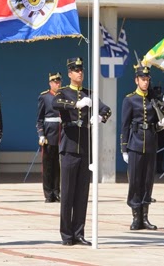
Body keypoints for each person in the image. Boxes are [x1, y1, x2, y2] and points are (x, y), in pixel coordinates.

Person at [52, 57, 111, 246]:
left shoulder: (90, 93)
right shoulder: (64, 92)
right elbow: (56, 103)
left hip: (85, 149)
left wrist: (100, 117)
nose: (80, 73)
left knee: (81, 195)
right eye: (76, 70)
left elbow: (106, 109)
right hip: (69, 147)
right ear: (69, 73)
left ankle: (79, 232)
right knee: (67, 194)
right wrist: (75, 105)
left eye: (81, 70)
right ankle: (66, 234)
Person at [121, 64, 164, 231]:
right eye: (143, 79)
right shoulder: (129, 99)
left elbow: (156, 123)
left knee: (148, 181)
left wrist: (162, 122)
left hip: (150, 143)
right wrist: (124, 148)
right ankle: (136, 218)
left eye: (148, 80)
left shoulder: (153, 99)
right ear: (136, 80)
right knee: (135, 181)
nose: (146, 82)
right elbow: (125, 126)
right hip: (135, 144)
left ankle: (145, 218)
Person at [36, 72, 62, 203]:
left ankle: (57, 192)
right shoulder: (44, 97)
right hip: (49, 134)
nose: (57, 84)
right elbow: (40, 119)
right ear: (50, 83)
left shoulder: (63, 95)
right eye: (55, 82)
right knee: (48, 166)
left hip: (61, 135)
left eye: (59, 82)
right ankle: (48, 193)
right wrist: (41, 134)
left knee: (58, 166)